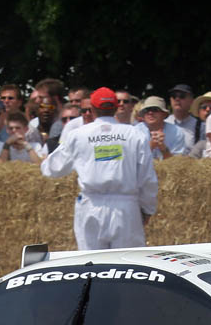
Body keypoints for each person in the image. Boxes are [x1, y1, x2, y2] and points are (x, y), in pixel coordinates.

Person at [40, 87, 157, 250]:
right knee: (127, 265)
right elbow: (147, 178)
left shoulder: (78, 135)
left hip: (91, 205)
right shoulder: (134, 134)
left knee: (91, 265)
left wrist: (45, 161)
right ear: (116, 107)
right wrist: (147, 209)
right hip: (126, 207)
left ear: (92, 109)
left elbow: (52, 169)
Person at [166, 84, 198, 151]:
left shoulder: (200, 125)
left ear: (191, 101)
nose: (177, 99)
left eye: (182, 96)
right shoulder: (163, 123)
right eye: (174, 96)